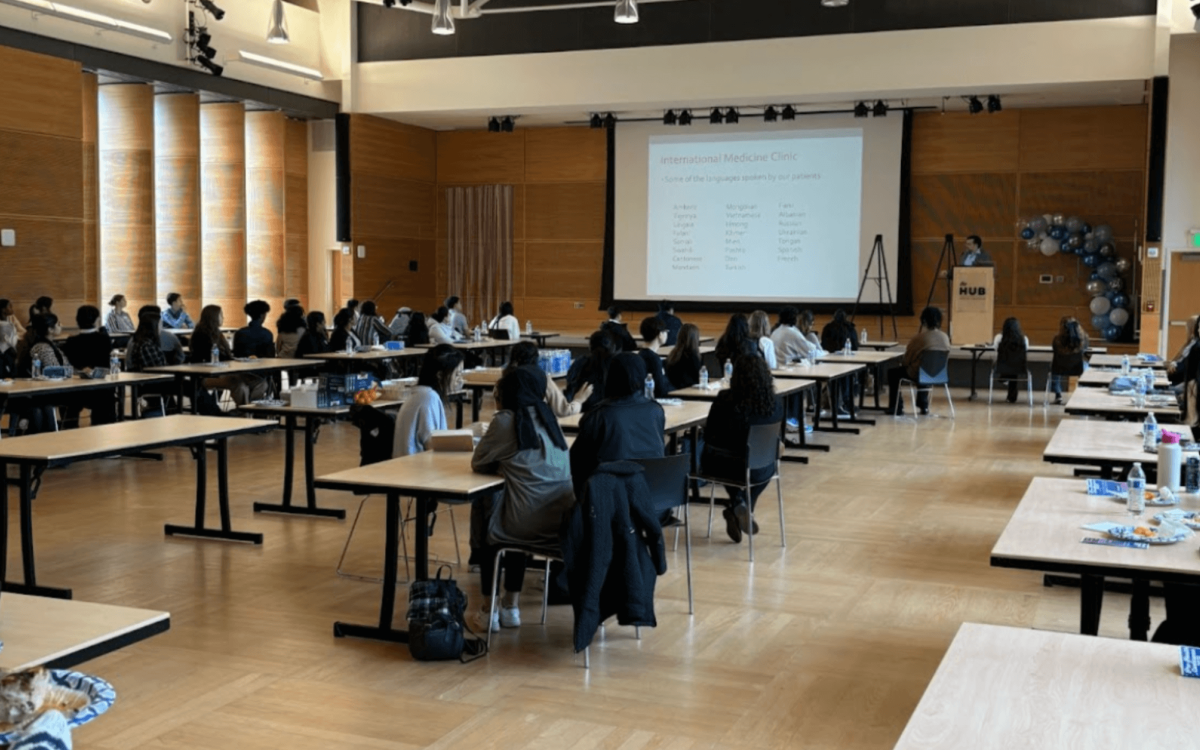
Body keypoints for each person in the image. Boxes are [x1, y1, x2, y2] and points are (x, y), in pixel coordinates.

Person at [470, 366, 576, 632]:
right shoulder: (549, 418)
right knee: (514, 511)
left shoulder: (506, 420)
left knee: (491, 518)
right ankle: (511, 606)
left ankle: (488, 611)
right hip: (561, 525)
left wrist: (503, 464)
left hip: (524, 525)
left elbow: (478, 462)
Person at [701, 355, 783, 543]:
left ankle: (738, 503)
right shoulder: (775, 403)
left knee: (723, 459)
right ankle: (744, 508)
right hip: (763, 467)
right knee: (749, 466)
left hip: (726, 466)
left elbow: (709, 433)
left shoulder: (725, 399)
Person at [569, 352, 666, 498]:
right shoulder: (656, 410)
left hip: (609, 507)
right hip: (655, 504)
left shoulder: (600, 415)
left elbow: (576, 461)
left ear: (610, 376)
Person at [189, 305, 269, 407]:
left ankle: (250, 409)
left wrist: (240, 360)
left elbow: (226, 357)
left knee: (261, 383)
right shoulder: (202, 335)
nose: (223, 318)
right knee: (238, 384)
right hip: (207, 375)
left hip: (222, 372)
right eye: (221, 315)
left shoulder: (217, 333)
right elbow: (212, 359)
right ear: (213, 317)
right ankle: (245, 411)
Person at [393, 344, 464, 457]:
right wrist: (468, 433)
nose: (460, 380)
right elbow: (434, 445)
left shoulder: (422, 394)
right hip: (416, 470)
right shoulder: (429, 397)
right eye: (457, 374)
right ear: (440, 376)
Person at [887, 306, 951, 416]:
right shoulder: (945, 337)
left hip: (919, 373)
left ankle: (896, 407)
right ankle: (924, 405)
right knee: (924, 367)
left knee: (893, 373)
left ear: (924, 321)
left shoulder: (919, 338)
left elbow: (907, 360)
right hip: (939, 373)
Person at [502, 341, 592, 417]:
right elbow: (563, 410)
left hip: (507, 429)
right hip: (532, 430)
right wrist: (578, 400)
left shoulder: (504, 380)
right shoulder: (542, 379)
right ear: (536, 359)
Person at [564, 330, 618, 413]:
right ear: (613, 348)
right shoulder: (618, 365)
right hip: (613, 414)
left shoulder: (580, 363)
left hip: (580, 413)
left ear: (590, 347)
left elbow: (570, 385)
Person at [1050, 316, 1089, 404]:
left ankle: (1058, 394)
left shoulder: (1056, 340)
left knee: (1053, 368)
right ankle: (1083, 392)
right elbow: (1084, 350)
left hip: (1059, 368)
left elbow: (1055, 350)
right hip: (1077, 368)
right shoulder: (1084, 339)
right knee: (1086, 366)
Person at [992, 317, 1029, 403]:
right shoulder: (1024, 339)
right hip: (1018, 367)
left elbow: (995, 349)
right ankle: (1012, 397)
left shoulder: (999, 338)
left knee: (1007, 366)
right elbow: (1026, 349)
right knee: (1014, 370)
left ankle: (1004, 378)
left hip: (1002, 366)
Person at [636, 316, 674, 398]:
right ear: (660, 334)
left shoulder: (641, 353)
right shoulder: (654, 359)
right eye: (666, 331)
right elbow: (661, 389)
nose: (667, 334)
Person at [665, 322, 704, 389]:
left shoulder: (673, 355)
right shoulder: (693, 357)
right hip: (689, 391)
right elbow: (701, 378)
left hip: (674, 390)